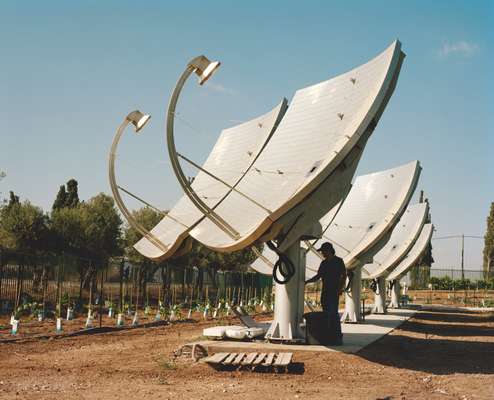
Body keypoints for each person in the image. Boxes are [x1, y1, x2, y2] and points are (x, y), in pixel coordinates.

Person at [305, 241, 346, 345]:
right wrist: (307, 282)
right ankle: (329, 336)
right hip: (325, 292)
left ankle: (337, 337)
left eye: (323, 251)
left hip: (334, 292)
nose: (322, 253)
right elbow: (318, 276)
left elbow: (344, 276)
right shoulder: (324, 263)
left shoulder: (339, 261)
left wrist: (340, 288)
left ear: (328, 250)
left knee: (333, 315)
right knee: (327, 315)